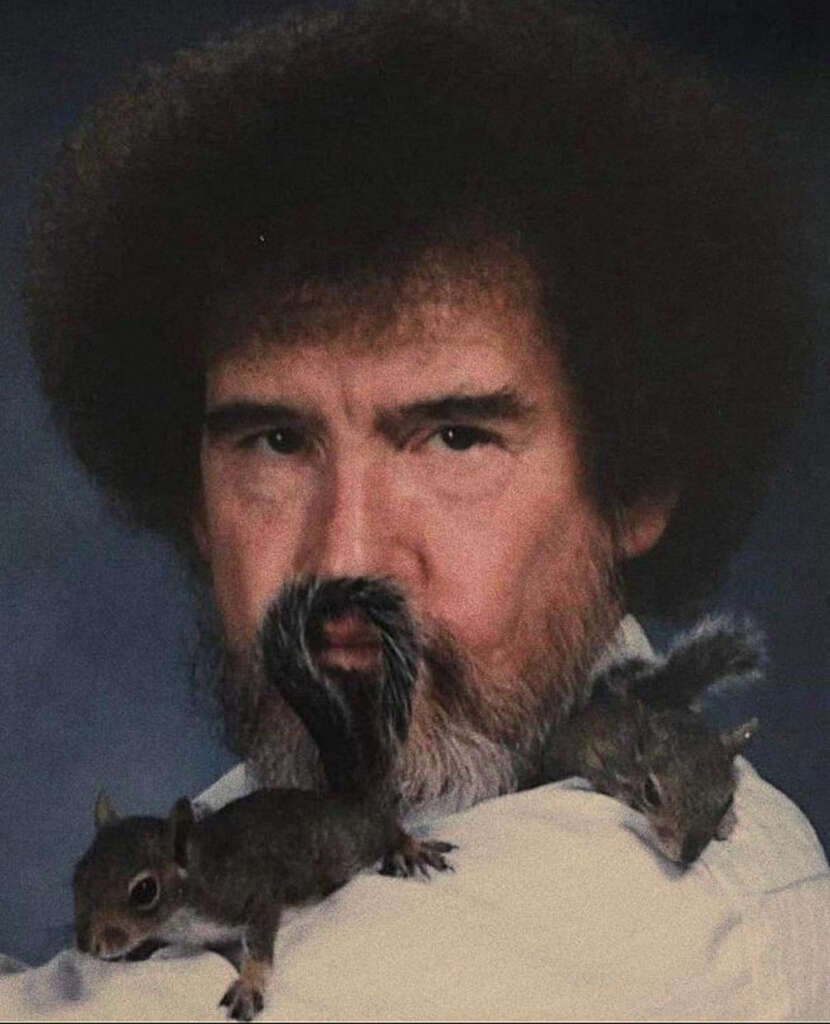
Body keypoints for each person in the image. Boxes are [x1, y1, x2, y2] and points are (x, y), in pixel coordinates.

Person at [3, 0, 828, 1018]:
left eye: (453, 437)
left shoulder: (645, 906)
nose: (345, 556)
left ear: (631, 488)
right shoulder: (261, 822)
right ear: (194, 505)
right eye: (275, 441)